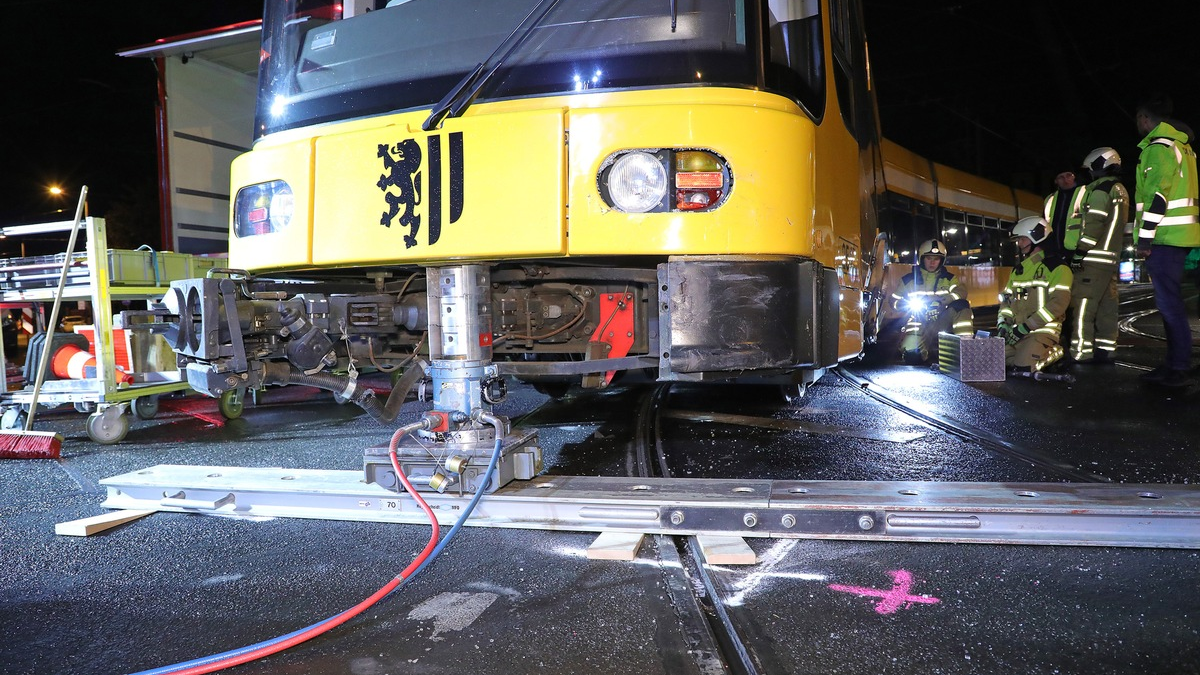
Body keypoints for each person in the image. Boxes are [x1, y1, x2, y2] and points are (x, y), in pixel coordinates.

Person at [1133, 96, 1200, 388]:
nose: (1138, 124)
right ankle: (1174, 363)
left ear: (1146, 119)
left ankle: (1179, 368)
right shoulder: (1183, 147)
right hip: (1180, 235)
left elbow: (1157, 197)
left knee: (1169, 304)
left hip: (1164, 237)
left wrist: (1145, 238)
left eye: (1139, 118)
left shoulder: (1158, 148)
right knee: (1169, 303)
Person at [1066, 147, 1129, 364]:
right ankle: (1106, 349)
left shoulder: (1101, 189)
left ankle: (1081, 352)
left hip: (1093, 259)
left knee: (1083, 306)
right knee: (1107, 307)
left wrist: (1080, 251)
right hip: (1110, 259)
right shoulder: (1119, 189)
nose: (1089, 173)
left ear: (1100, 165)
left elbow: (1094, 223)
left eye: (1091, 169)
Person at [998, 217, 1072, 372]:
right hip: (1017, 333)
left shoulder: (1058, 269)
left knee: (1024, 367)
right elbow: (1007, 301)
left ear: (1037, 238)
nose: (1020, 244)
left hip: (1043, 332)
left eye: (1023, 239)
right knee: (996, 363)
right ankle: (1025, 355)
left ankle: (1057, 351)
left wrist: (1027, 327)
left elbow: (1057, 305)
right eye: (1019, 240)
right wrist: (1004, 323)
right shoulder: (1018, 271)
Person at [890, 239, 974, 364]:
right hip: (919, 322)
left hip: (941, 319)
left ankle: (966, 349)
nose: (932, 262)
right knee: (913, 356)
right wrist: (903, 305)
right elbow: (893, 301)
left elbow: (961, 291)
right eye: (929, 258)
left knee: (962, 306)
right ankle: (924, 352)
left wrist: (943, 302)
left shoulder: (949, 279)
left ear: (942, 260)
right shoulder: (907, 280)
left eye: (936, 259)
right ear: (921, 258)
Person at [1043, 170, 1086, 258]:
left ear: (1074, 176)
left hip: (1078, 251)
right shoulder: (1050, 199)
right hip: (1054, 251)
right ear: (1056, 181)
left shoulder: (1086, 193)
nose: (1066, 179)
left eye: (1068, 175)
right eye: (1061, 177)